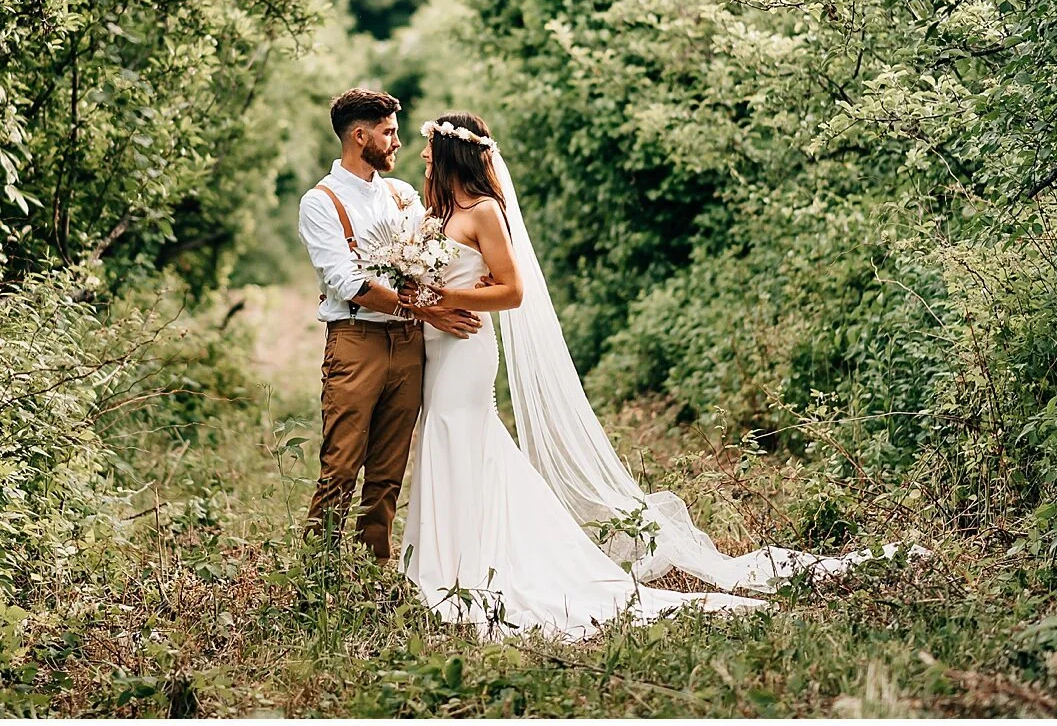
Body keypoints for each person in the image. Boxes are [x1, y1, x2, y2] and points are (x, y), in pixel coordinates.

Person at [396, 111, 767, 638]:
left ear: (452, 153)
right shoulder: (433, 214)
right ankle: (446, 560)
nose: (423, 155)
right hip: (435, 348)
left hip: (467, 349)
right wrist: (419, 297)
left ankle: (465, 570)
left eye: (430, 147)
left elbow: (512, 290)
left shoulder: (484, 212)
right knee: (447, 440)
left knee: (457, 434)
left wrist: (447, 296)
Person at [295, 88, 480, 561]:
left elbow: (432, 260)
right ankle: (318, 571)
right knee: (341, 464)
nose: (397, 142)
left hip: (409, 344)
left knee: (388, 470)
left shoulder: (403, 195)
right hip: (356, 340)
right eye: (389, 132)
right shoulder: (320, 202)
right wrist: (426, 311)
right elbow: (349, 283)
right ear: (360, 137)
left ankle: (374, 566)